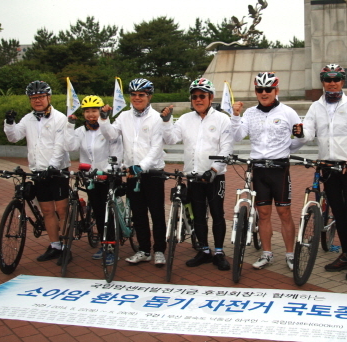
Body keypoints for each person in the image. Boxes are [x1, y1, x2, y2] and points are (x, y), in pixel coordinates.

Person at [297, 64, 347, 281]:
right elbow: (309, 134)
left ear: (342, 80)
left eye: (336, 78)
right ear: (322, 81)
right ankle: (346, 255)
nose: (332, 82)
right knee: (338, 214)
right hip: (328, 168)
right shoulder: (315, 107)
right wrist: (300, 132)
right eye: (327, 79)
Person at [231, 72, 305, 271]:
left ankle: (290, 255)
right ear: (256, 91)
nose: (264, 93)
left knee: (284, 213)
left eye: (268, 89)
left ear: (276, 91)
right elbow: (237, 137)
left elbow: (302, 136)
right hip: (259, 169)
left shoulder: (287, 112)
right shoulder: (250, 114)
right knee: (263, 214)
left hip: (279, 169)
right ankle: (267, 254)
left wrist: (287, 149)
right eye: (259, 90)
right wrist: (235, 116)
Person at [161, 78, 233, 271]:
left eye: (202, 96)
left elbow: (226, 148)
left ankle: (219, 252)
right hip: (194, 177)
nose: (198, 100)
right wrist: (167, 121)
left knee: (217, 214)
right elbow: (170, 139)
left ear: (211, 97)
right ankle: (204, 250)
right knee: (198, 216)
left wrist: (214, 169)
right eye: (194, 97)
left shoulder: (222, 119)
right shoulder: (185, 119)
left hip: (214, 176)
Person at [98, 78, 167, 267]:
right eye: (134, 95)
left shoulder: (156, 118)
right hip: (131, 173)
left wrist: (141, 166)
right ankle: (144, 250)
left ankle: (160, 250)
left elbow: (156, 148)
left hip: (152, 172)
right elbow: (111, 135)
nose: (137, 98)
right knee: (138, 213)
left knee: (157, 212)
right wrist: (103, 119)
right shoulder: (124, 117)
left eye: (141, 95)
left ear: (149, 96)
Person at [4, 80, 70, 264]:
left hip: (57, 171)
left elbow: (60, 146)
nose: (37, 100)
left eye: (40, 97)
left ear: (48, 97)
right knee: (47, 211)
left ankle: (66, 247)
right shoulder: (28, 119)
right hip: (38, 171)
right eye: (33, 98)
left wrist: (52, 167)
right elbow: (14, 137)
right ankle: (55, 245)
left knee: (62, 210)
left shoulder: (59, 118)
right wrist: (10, 123)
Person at [64, 95, 123, 266]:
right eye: (87, 111)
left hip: (107, 176)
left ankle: (111, 247)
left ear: (100, 111)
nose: (91, 115)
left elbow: (116, 153)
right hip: (90, 177)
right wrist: (69, 126)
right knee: (98, 211)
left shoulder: (109, 130)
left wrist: (111, 171)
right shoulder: (80, 131)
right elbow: (71, 147)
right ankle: (104, 243)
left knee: (107, 212)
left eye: (94, 111)